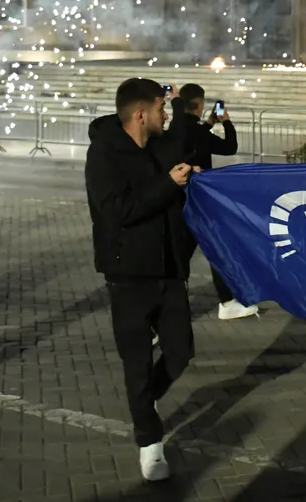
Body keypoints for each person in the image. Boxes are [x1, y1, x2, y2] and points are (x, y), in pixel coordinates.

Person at [85, 78, 197, 482]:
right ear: (139, 114)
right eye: (160, 109)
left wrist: (190, 178)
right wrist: (168, 184)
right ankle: (150, 445)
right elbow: (117, 211)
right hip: (128, 274)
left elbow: (173, 191)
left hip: (169, 270)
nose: (165, 114)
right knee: (136, 363)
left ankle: (143, 403)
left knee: (181, 351)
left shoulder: (161, 145)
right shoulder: (104, 154)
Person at [167, 83, 257, 321]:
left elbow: (190, 137)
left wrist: (207, 124)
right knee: (217, 249)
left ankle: (166, 309)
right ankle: (227, 303)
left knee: (183, 254)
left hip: (178, 200)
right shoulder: (197, 132)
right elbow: (229, 147)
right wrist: (225, 121)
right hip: (199, 201)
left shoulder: (174, 129)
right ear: (200, 104)